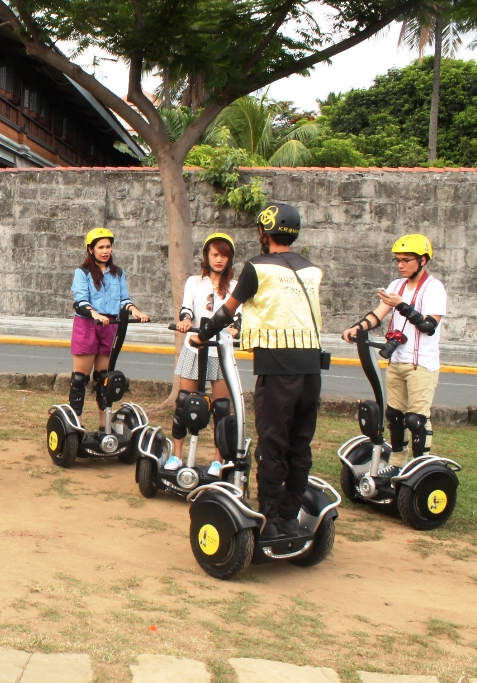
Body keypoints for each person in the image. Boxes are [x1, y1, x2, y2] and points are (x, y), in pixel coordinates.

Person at [196, 204, 323, 539]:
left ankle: (270, 519)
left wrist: (202, 334)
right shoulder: (312, 270)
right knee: (300, 445)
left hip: (277, 368)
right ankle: (290, 516)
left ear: (264, 232)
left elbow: (228, 310)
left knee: (272, 445)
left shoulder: (257, 267)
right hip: (311, 367)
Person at [341, 234, 445, 471]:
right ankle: (397, 464)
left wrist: (401, 305)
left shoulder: (434, 288)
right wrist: (358, 327)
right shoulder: (396, 286)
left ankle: (420, 469)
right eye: (397, 260)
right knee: (395, 416)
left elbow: (428, 326)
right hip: (397, 361)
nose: (400, 265)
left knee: (416, 419)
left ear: (423, 260)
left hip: (421, 364)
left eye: (406, 260)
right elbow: (377, 315)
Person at [166, 233, 241, 477]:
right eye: (215, 254)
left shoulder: (235, 286)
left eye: (224, 256)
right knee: (183, 402)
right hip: (195, 347)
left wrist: (235, 327)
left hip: (220, 351)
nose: (219, 259)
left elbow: (237, 315)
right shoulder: (194, 282)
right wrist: (186, 321)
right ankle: (177, 455)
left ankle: (218, 460)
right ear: (207, 256)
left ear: (230, 258)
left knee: (221, 408)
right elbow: (186, 308)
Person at [69, 228, 149, 427]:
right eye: (101, 247)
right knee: (80, 379)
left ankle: (104, 425)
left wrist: (136, 311)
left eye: (108, 247)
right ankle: (76, 424)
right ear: (91, 249)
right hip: (88, 325)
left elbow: (123, 299)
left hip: (110, 325)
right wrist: (95, 314)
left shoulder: (117, 273)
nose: (105, 251)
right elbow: (80, 301)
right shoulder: (83, 273)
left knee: (103, 378)